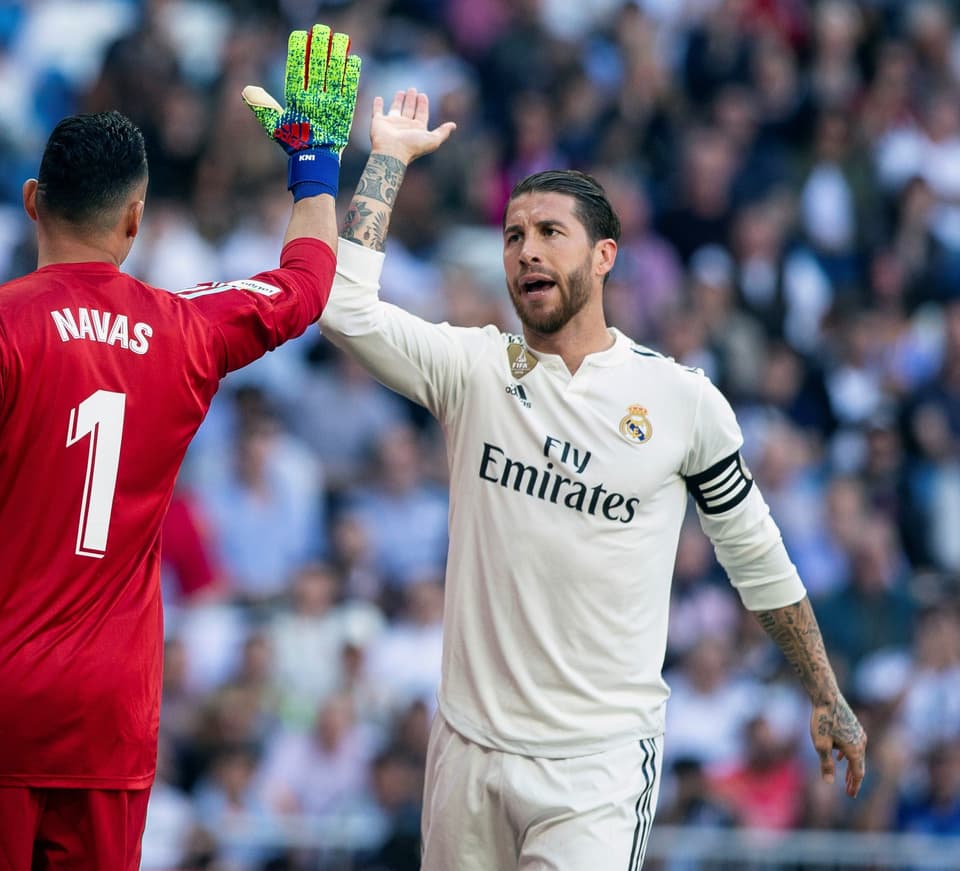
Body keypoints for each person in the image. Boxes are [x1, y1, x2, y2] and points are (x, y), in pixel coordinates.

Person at [0, 24, 360, 871]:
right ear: (135, 219)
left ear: (32, 200)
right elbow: (306, 286)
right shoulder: (187, 330)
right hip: (107, 720)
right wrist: (314, 166)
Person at [320, 88, 868, 871]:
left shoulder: (680, 400)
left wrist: (825, 691)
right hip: (466, 751)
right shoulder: (473, 369)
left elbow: (758, 558)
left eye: (551, 232)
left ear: (605, 255)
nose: (527, 251)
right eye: (514, 236)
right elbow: (345, 311)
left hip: (597, 768)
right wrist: (388, 160)